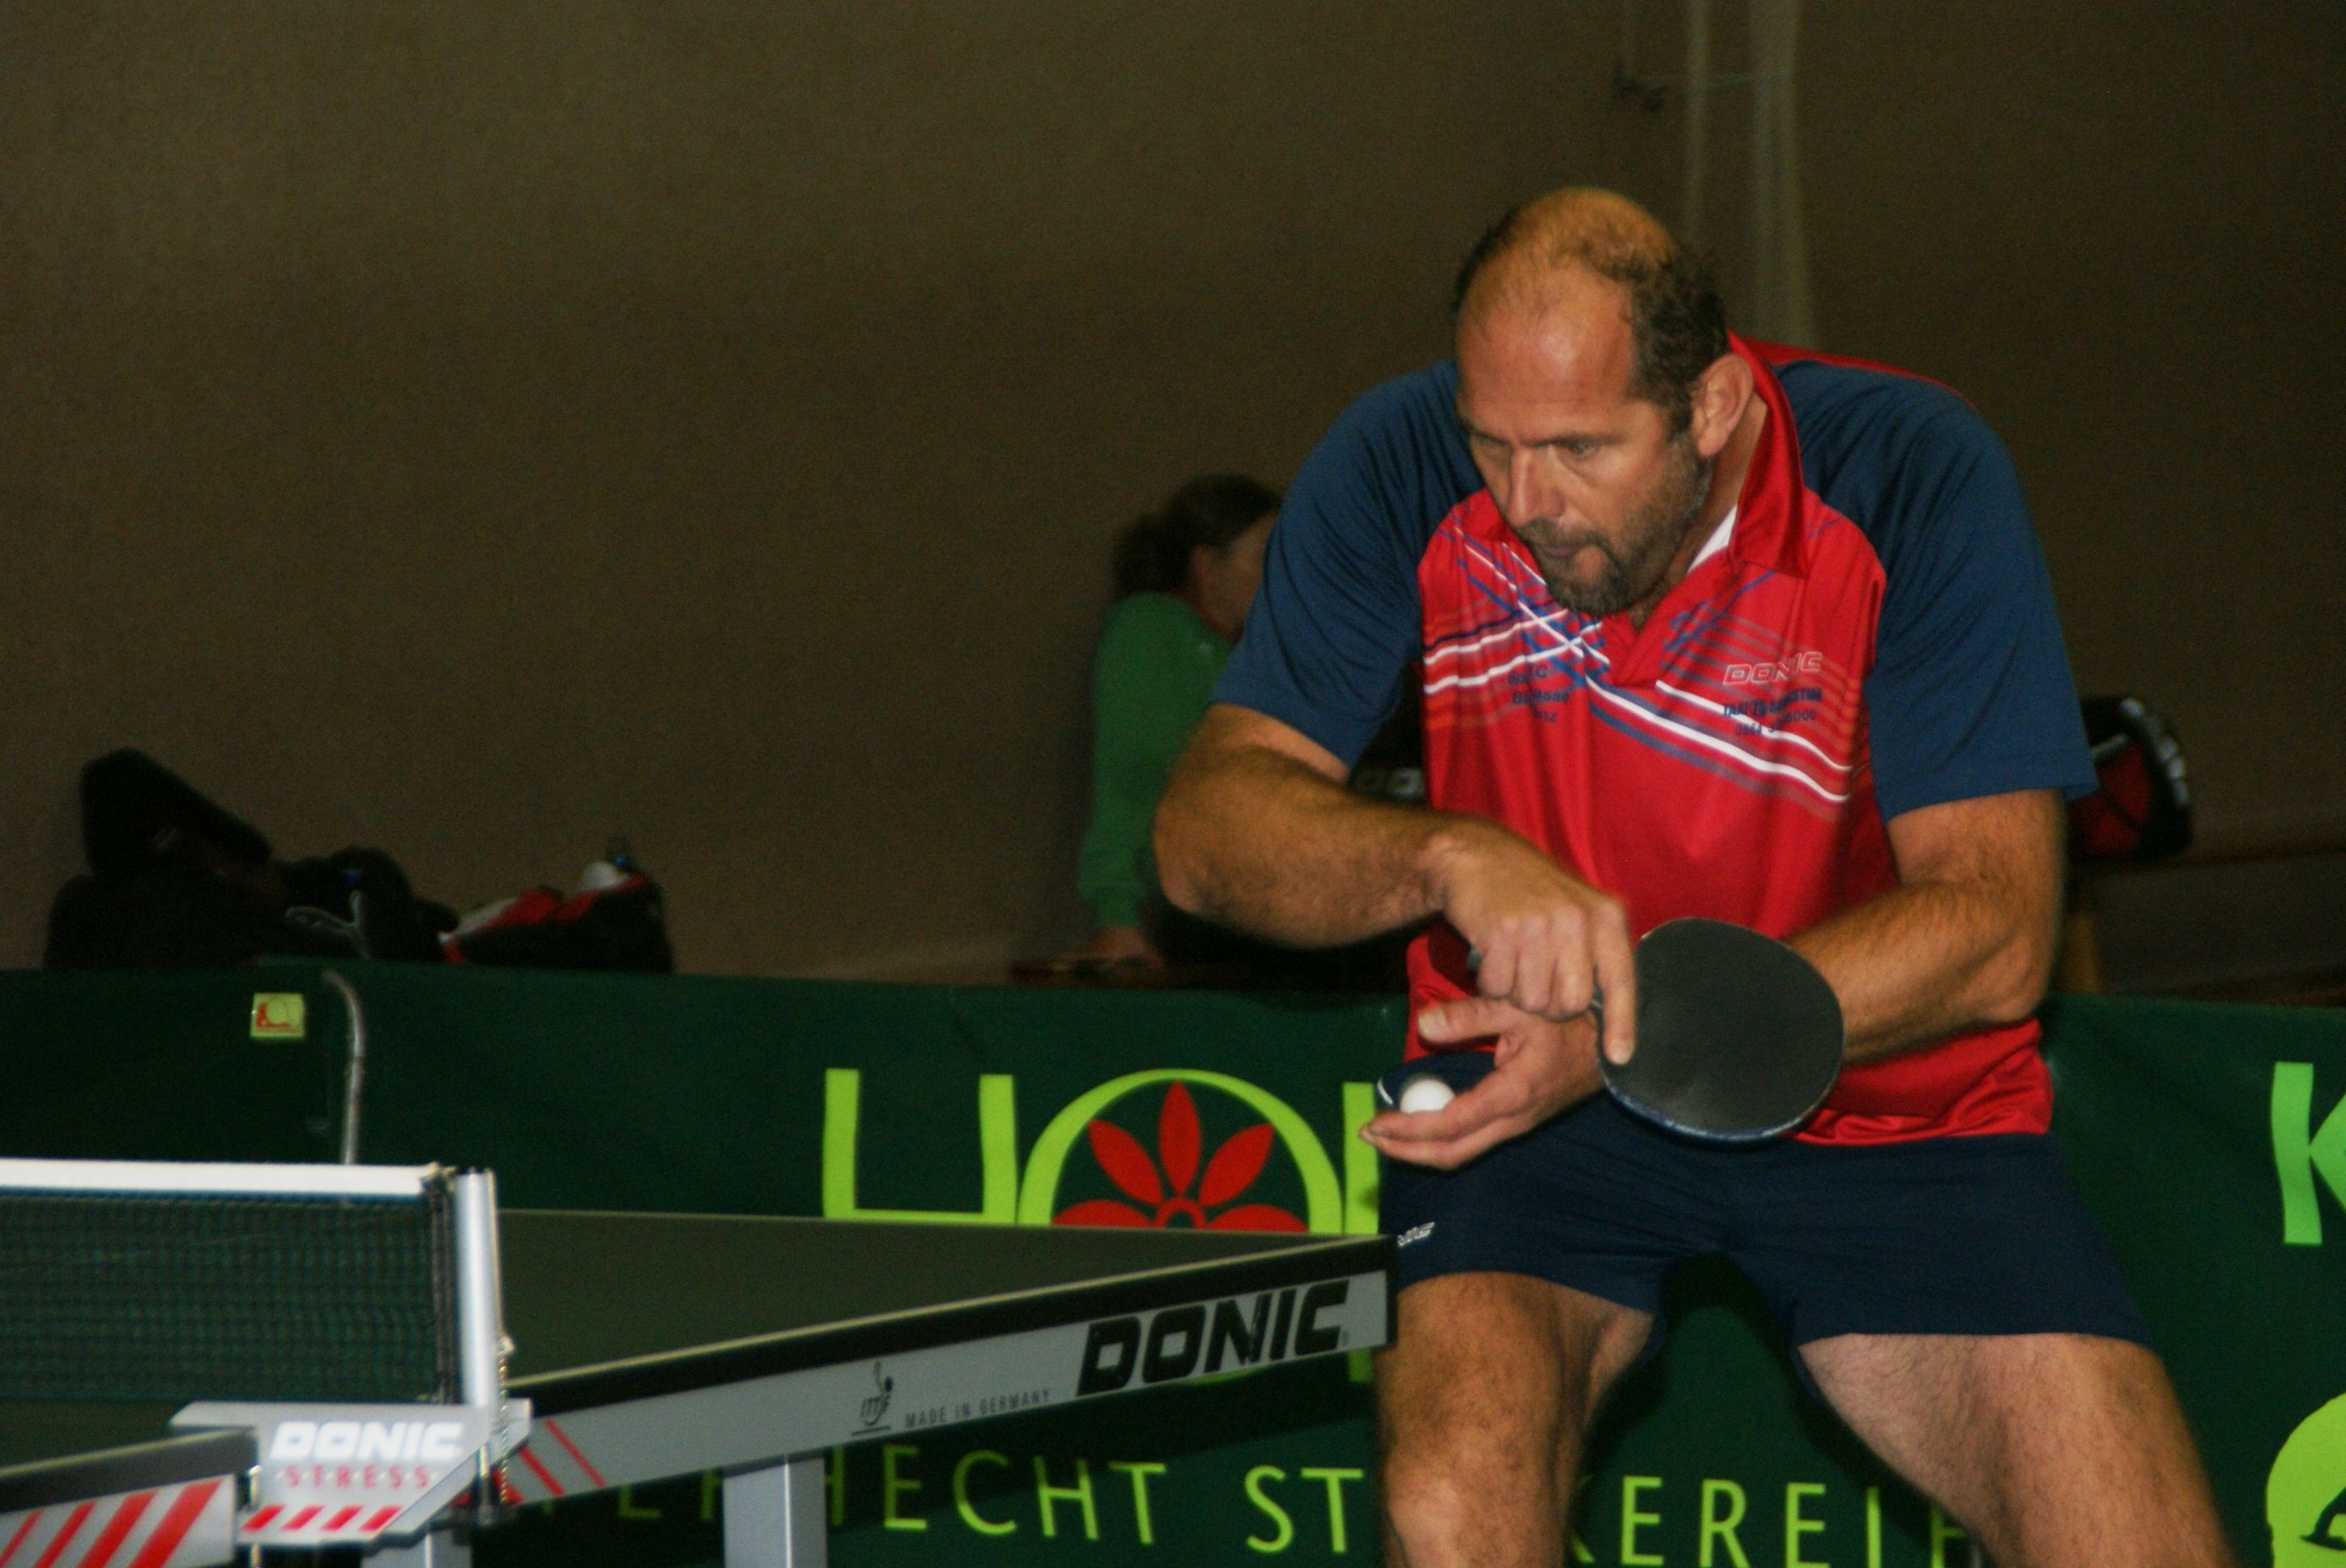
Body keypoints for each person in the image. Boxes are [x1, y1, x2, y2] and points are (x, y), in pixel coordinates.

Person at [1154, 189, 2233, 1567]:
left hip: (1881, 1099)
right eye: (1492, 443)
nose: (1523, 503)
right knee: (1451, 1502)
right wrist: (1445, 851)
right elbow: (1203, 837)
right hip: (1527, 1102)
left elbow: (1994, 930)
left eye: (1579, 449)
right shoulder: (1396, 465)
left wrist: (1627, 1033)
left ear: (1713, 406)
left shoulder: (1906, 471)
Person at [1067, 473, 1278, 969]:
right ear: (1207, 565)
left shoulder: (1246, 652)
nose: (1279, 576)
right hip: (1200, 918)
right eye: (1262, 557)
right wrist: (1116, 916)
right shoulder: (1152, 629)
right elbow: (1132, 773)